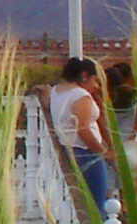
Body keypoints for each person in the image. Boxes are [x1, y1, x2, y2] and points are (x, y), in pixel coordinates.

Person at [48, 56, 116, 215]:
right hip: (86, 152)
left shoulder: (57, 91)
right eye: (95, 81)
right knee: (97, 201)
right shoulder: (80, 96)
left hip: (70, 148)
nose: (97, 87)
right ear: (85, 76)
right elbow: (84, 129)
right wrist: (103, 152)